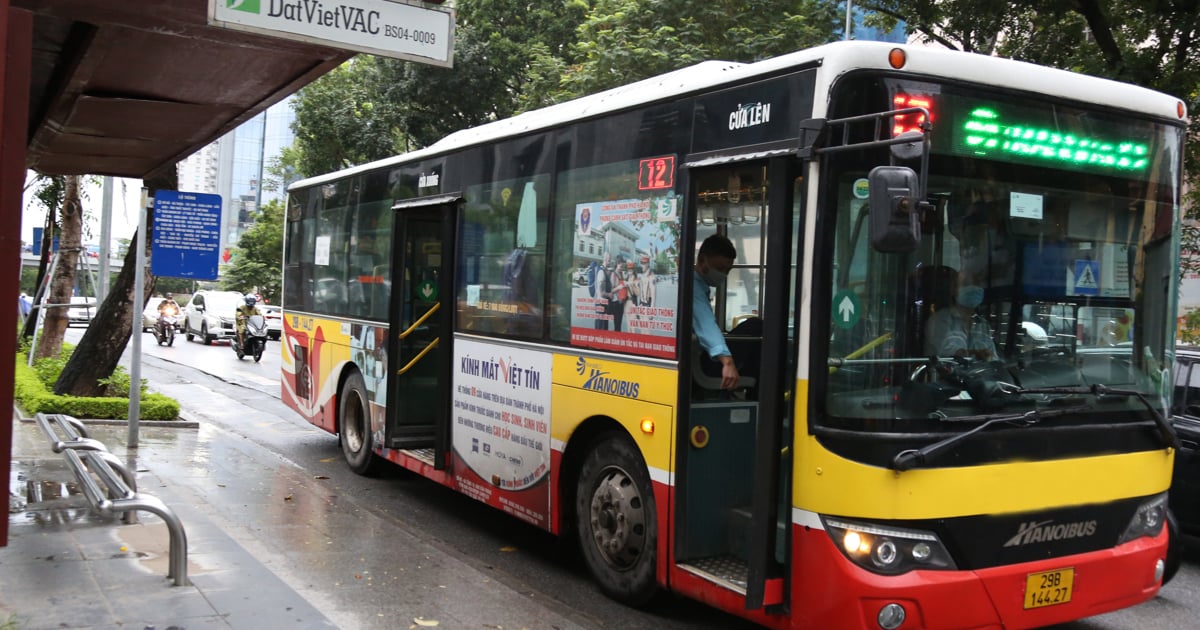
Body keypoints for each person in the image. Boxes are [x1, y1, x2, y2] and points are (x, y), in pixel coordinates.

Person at [693, 234, 741, 390]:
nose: (724, 275)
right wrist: (727, 362)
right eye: (720, 269)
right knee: (755, 326)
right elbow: (706, 323)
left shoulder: (700, 286)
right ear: (701, 260)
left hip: (702, 356)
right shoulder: (693, 287)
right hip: (703, 361)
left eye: (727, 270)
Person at [924, 270, 997, 360]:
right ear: (953, 290)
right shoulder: (939, 320)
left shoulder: (983, 325)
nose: (973, 288)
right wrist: (977, 354)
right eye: (966, 284)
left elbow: (993, 358)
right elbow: (951, 354)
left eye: (976, 284)